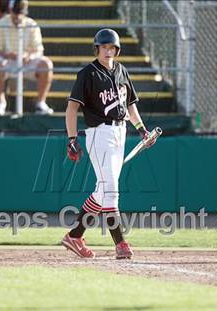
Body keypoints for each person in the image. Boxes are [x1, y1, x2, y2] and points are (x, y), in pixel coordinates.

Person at [61, 29, 157, 259]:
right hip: (99, 133)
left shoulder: (122, 70)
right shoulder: (87, 73)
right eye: (104, 47)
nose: (108, 51)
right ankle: (121, 243)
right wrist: (72, 139)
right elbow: (72, 108)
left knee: (103, 190)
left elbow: (130, 105)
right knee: (111, 190)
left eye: (112, 47)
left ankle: (74, 236)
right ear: (97, 49)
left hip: (120, 131)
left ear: (117, 50)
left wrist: (142, 130)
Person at [0, 0, 53, 115]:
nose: (18, 16)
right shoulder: (0, 23)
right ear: (10, 10)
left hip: (27, 61)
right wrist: (10, 55)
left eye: (20, 12)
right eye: (15, 12)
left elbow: (38, 49)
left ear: (25, 12)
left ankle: (41, 103)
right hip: (6, 60)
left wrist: (27, 55)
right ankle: (1, 103)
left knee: (46, 65)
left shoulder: (32, 24)